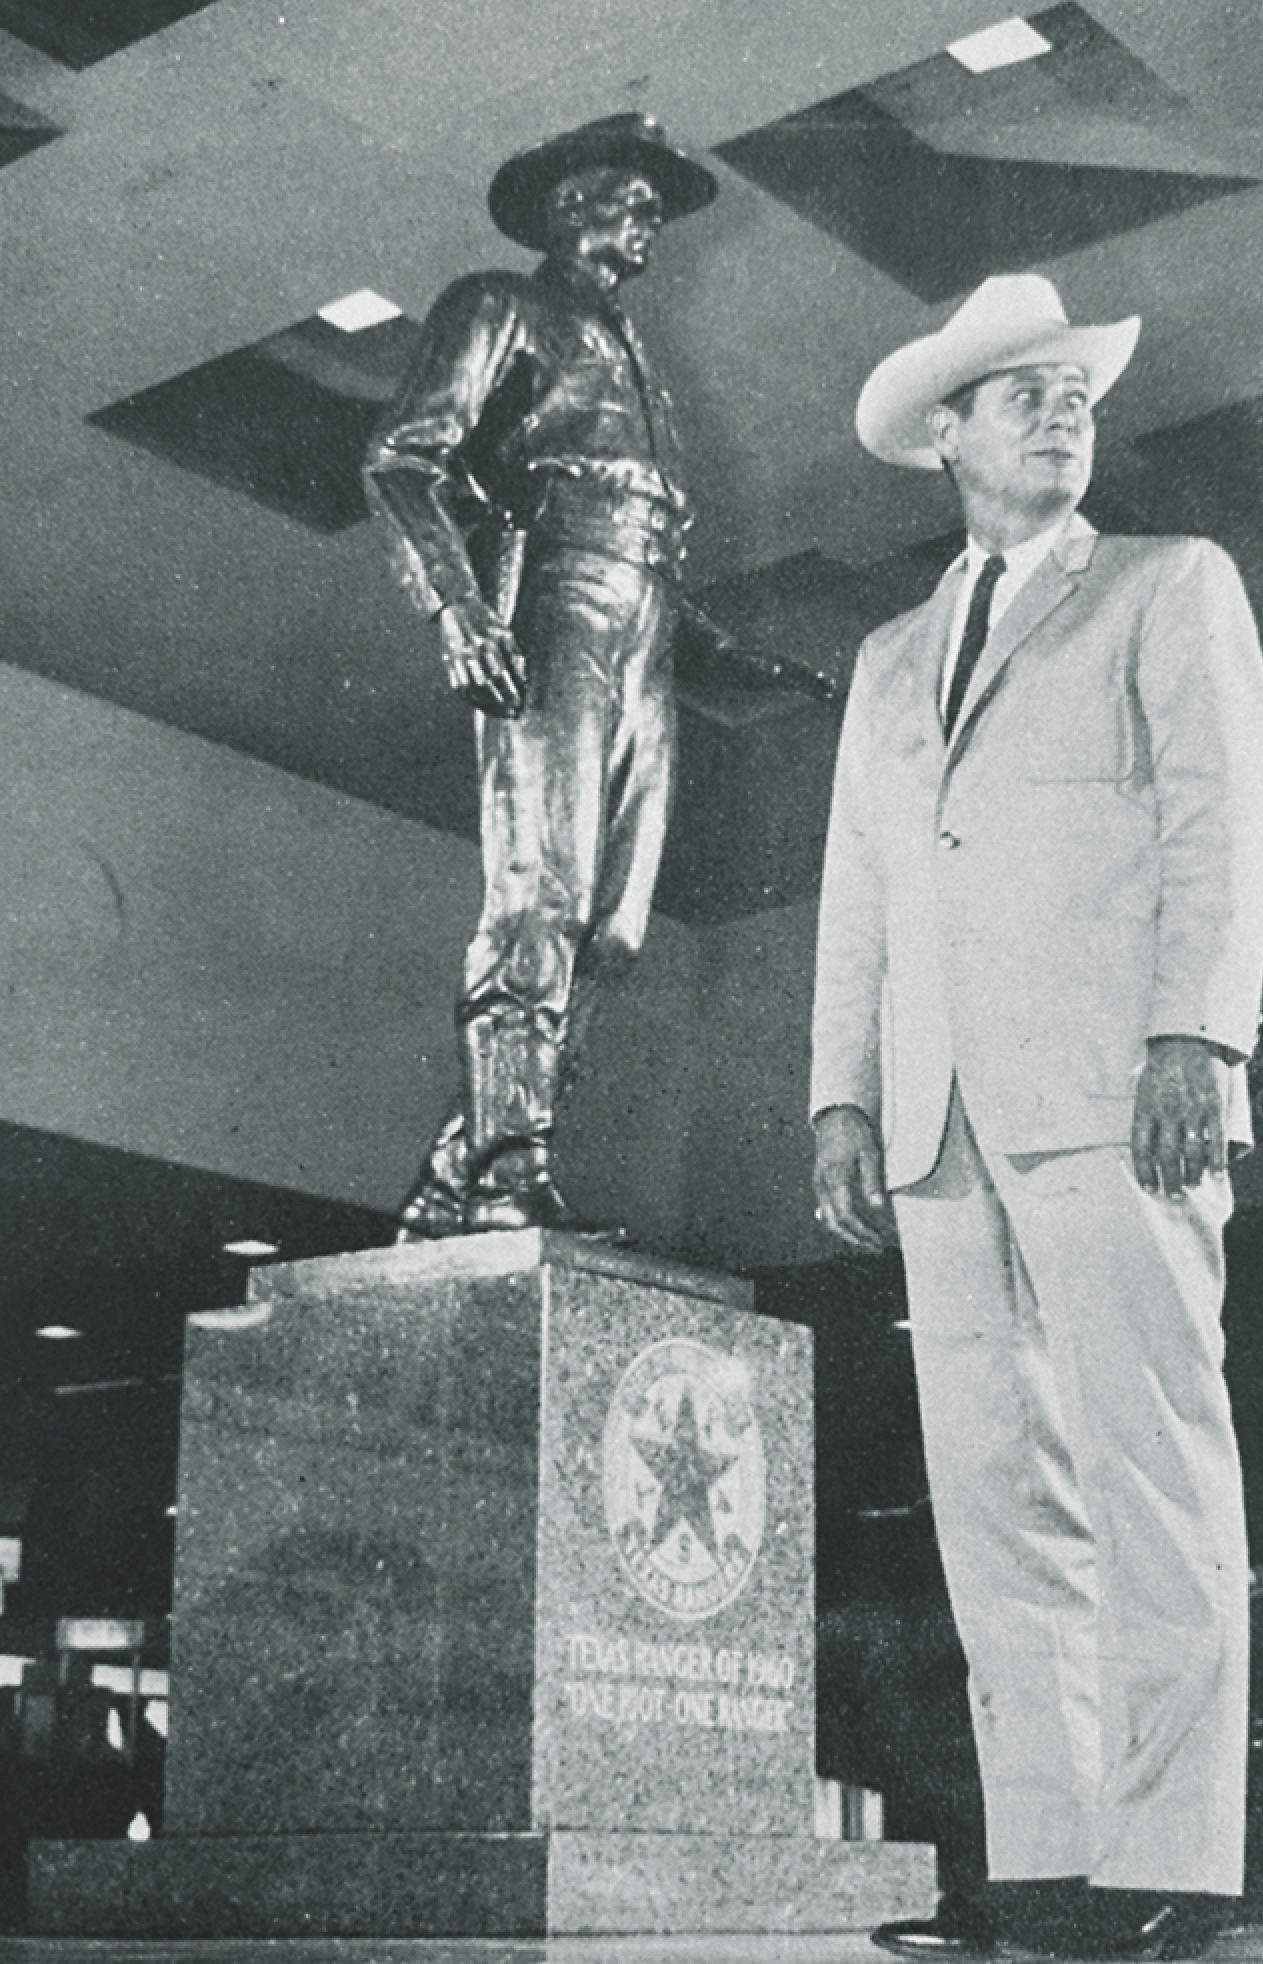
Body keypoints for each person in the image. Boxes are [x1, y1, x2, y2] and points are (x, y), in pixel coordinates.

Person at [811, 275, 1263, 1961]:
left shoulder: (1168, 586)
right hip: (937, 1117)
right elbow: (860, 892)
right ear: (945, 435)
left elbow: (1231, 817)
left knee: (1149, 1466)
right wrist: (841, 1092)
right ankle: (1050, 1860)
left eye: (1073, 389)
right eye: (1020, 392)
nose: (1061, 409)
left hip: (1117, 1091)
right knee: (994, 1493)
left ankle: (1176, 1857)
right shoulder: (883, 660)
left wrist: (1195, 1032)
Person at [364, 113, 717, 1237]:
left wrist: (718, 645)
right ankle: (511, 1170)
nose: (649, 214)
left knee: (613, 927)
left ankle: (451, 1175)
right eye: (632, 194)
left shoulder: (634, 348)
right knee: (540, 894)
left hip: (644, 618)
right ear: (570, 206)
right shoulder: (498, 306)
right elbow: (401, 459)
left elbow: (638, 517)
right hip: (551, 596)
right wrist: (457, 604)